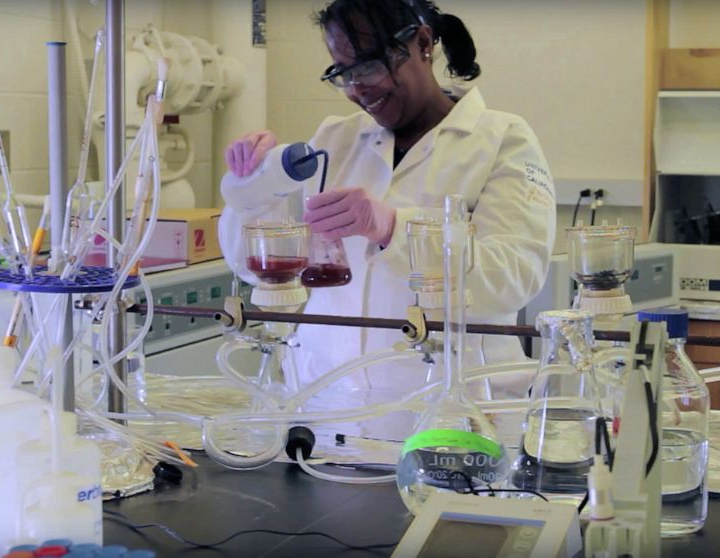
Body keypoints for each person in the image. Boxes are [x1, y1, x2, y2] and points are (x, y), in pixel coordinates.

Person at [218, 0, 556, 404]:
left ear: (423, 44)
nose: (358, 89)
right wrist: (257, 183)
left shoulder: (504, 141)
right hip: (325, 408)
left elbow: (515, 277)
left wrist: (394, 228)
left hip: (454, 414)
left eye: (369, 66)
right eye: (344, 74)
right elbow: (254, 269)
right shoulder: (334, 141)